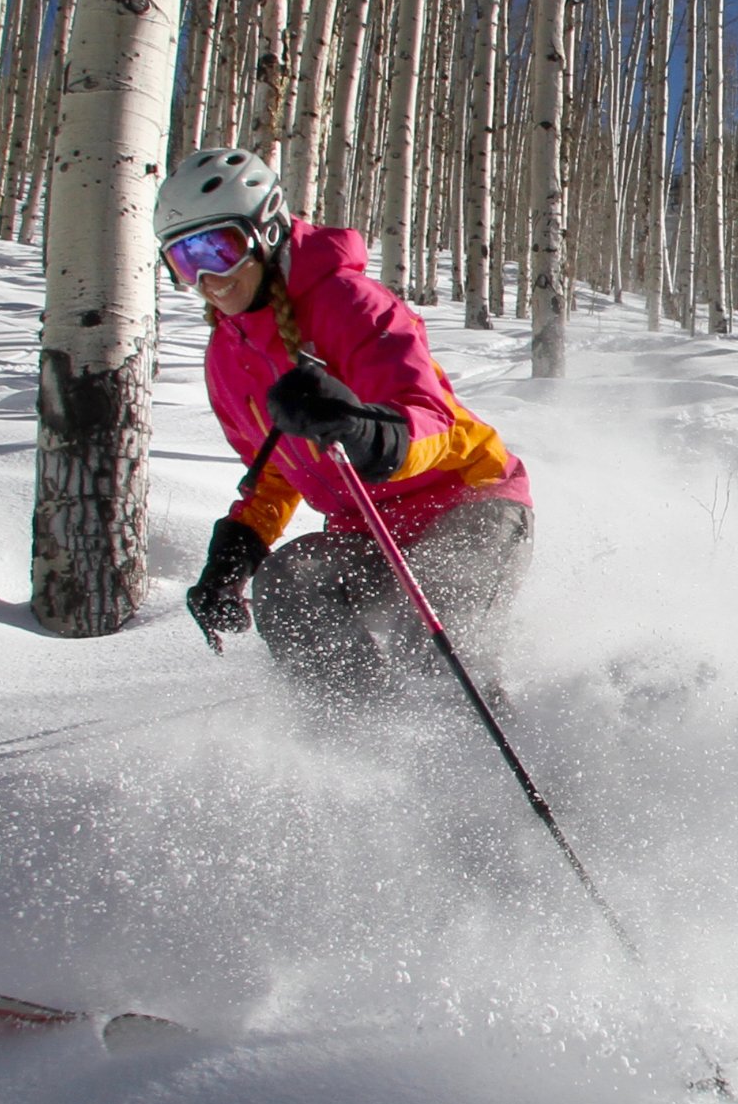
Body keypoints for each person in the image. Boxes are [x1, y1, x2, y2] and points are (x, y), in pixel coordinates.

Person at [155, 149, 533, 698]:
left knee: (427, 647)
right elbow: (276, 472)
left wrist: (364, 430)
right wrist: (233, 556)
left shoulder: (349, 301)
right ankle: (361, 745)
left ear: (266, 229)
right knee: (288, 586)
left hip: (469, 504)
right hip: (370, 533)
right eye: (186, 261)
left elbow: (433, 418)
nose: (209, 277)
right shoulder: (226, 356)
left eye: (221, 248)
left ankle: (494, 760)